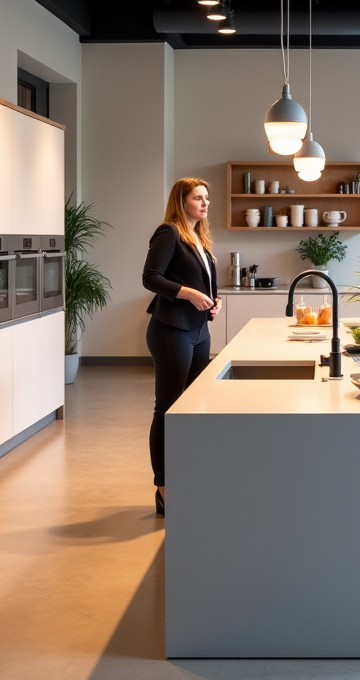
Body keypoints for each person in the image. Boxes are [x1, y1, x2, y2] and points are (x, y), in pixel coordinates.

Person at [142, 178, 223, 517]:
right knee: (169, 409)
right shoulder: (169, 232)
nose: (205, 204)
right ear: (182, 201)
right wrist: (189, 293)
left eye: (207, 198)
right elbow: (151, 277)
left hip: (198, 331)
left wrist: (214, 302)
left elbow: (205, 284)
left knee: (192, 407)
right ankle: (164, 486)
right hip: (171, 331)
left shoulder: (199, 239)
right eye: (198, 198)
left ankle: (186, 477)